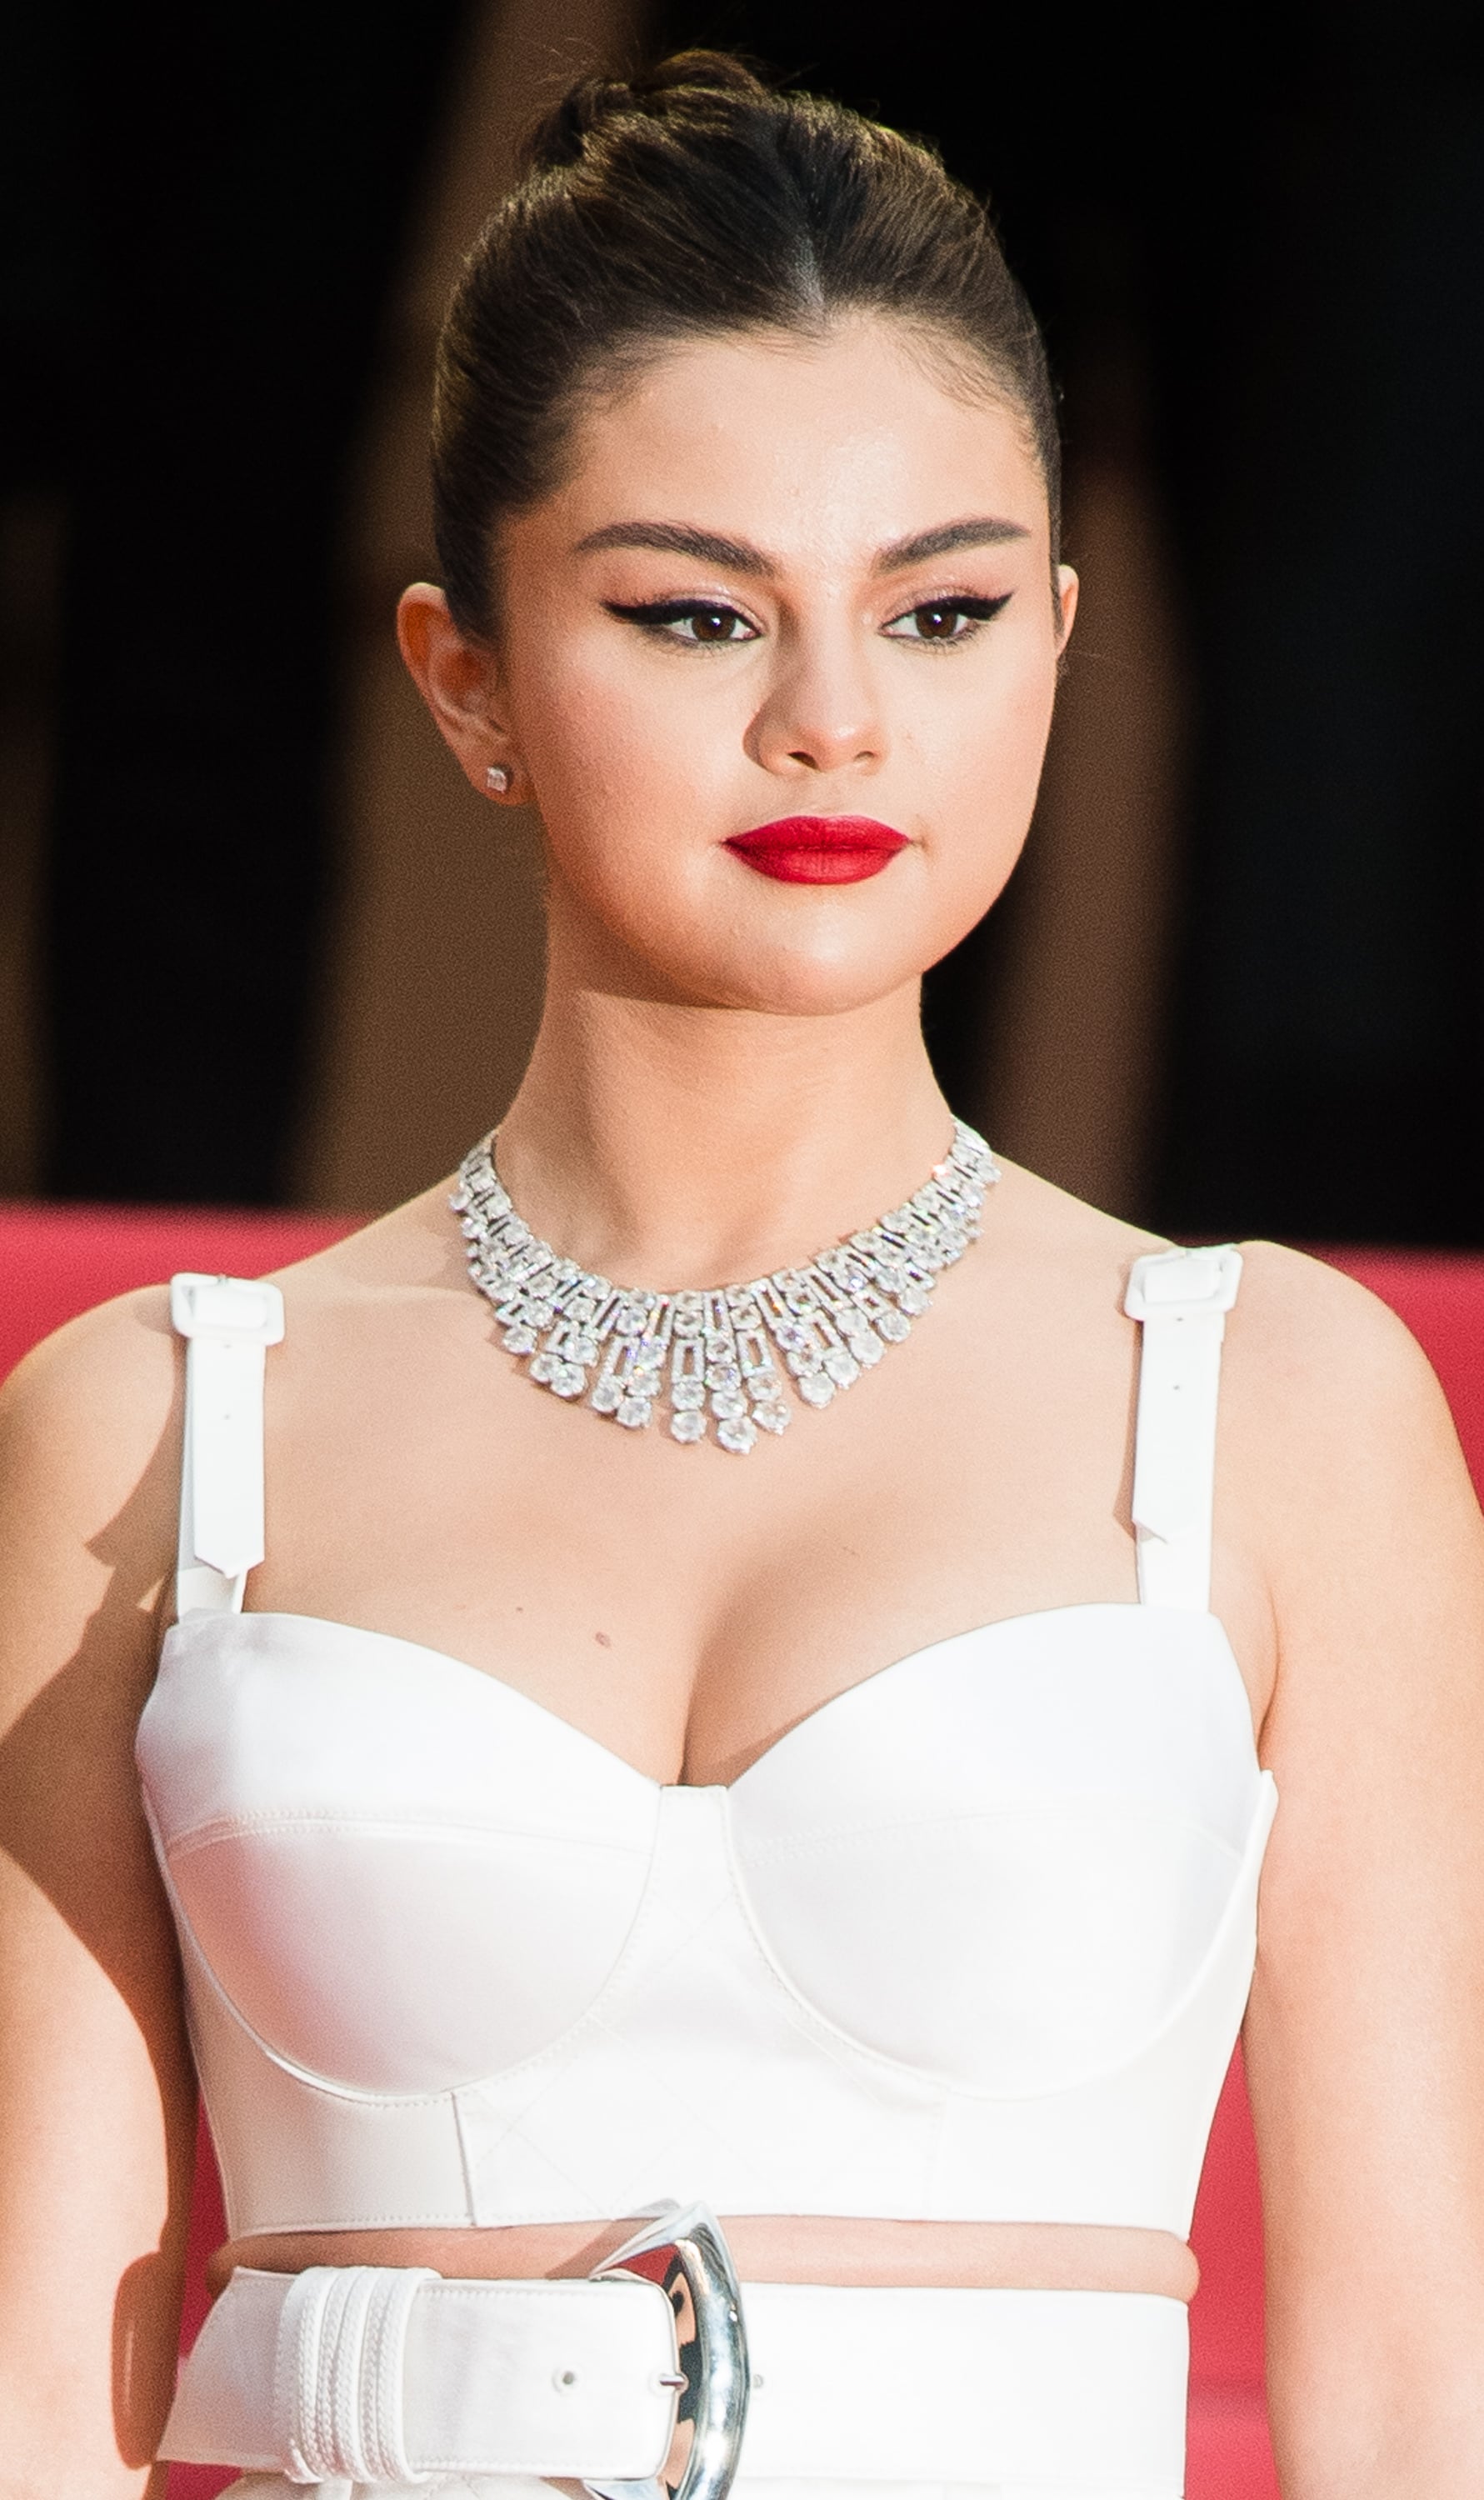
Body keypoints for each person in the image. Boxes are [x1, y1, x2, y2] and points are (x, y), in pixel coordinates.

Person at [2, 50, 1482, 2500]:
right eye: (695, 612)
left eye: (944, 609)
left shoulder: (1274, 1410)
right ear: (463, 672)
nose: (832, 720)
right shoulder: (143, 1433)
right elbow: (41, 2383)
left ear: (1056, 639)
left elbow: (1413, 2404)